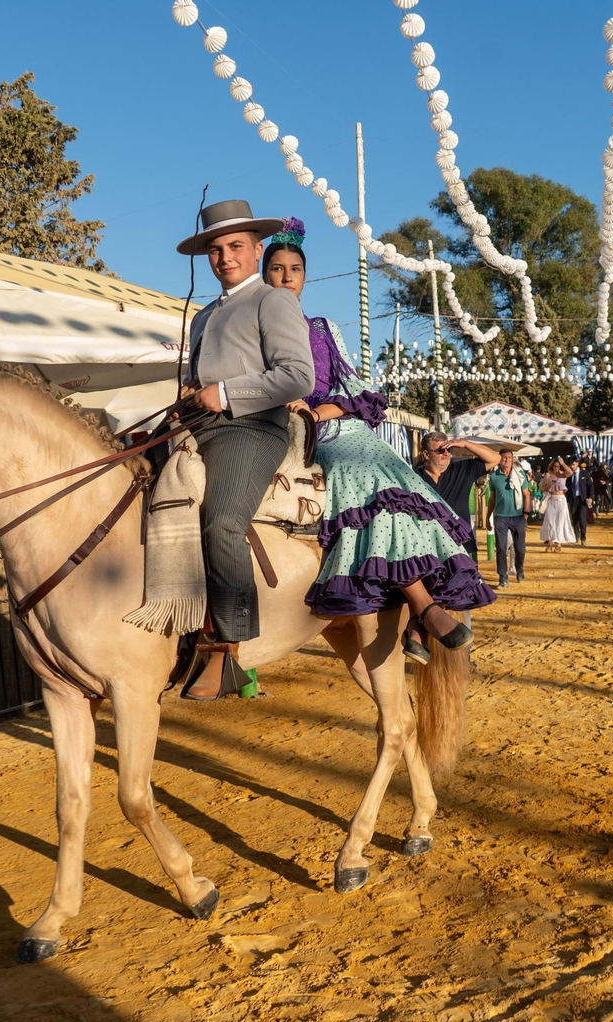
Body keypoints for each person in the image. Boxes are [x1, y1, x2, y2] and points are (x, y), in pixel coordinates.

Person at [262, 218, 493, 666]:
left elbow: (352, 390)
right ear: (264, 273)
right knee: (365, 480)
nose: (287, 276)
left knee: (402, 488)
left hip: (331, 426)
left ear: (305, 277)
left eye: (295, 269)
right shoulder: (252, 325)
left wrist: (317, 411)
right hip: (281, 426)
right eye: (277, 268)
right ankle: (422, 609)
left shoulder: (323, 327)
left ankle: (421, 609)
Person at [175, 199, 316, 700]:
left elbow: (298, 376)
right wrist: (190, 397)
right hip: (197, 426)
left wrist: (227, 393)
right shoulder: (204, 315)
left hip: (251, 430)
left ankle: (227, 650)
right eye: (215, 248)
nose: (225, 256)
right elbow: (202, 378)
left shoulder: (273, 300)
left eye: (235, 246)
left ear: (257, 250)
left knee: (222, 521)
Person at [416, 431, 502, 557]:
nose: (446, 454)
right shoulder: (413, 477)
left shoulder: (462, 469)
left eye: (449, 449)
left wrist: (465, 444)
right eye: (440, 450)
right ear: (426, 454)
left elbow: (495, 458)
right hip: (427, 546)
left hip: (459, 544)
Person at [486, 450, 530, 588]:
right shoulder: (494, 477)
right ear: (499, 459)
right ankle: (502, 577)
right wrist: (488, 517)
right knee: (501, 548)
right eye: (504, 457)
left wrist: (526, 514)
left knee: (520, 548)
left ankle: (519, 568)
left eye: (509, 457)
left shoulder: (520, 475)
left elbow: (526, 495)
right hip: (501, 517)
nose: (506, 460)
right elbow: (492, 499)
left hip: (518, 517)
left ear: (512, 459)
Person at [538, 458, 574, 551]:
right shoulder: (548, 475)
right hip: (551, 500)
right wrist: (548, 486)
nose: (556, 468)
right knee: (550, 522)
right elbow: (541, 488)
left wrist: (564, 463)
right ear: (552, 466)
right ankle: (549, 545)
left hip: (561, 500)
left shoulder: (563, 475)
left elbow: (570, 473)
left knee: (560, 522)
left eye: (558, 466)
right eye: (554, 466)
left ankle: (558, 545)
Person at [567, 458, 595, 547]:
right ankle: (577, 536)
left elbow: (590, 486)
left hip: (582, 499)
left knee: (582, 519)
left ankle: (583, 538)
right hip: (573, 499)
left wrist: (590, 497)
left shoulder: (585, 473)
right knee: (575, 519)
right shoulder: (569, 475)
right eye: (571, 465)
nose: (572, 466)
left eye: (573, 464)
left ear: (577, 464)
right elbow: (567, 489)